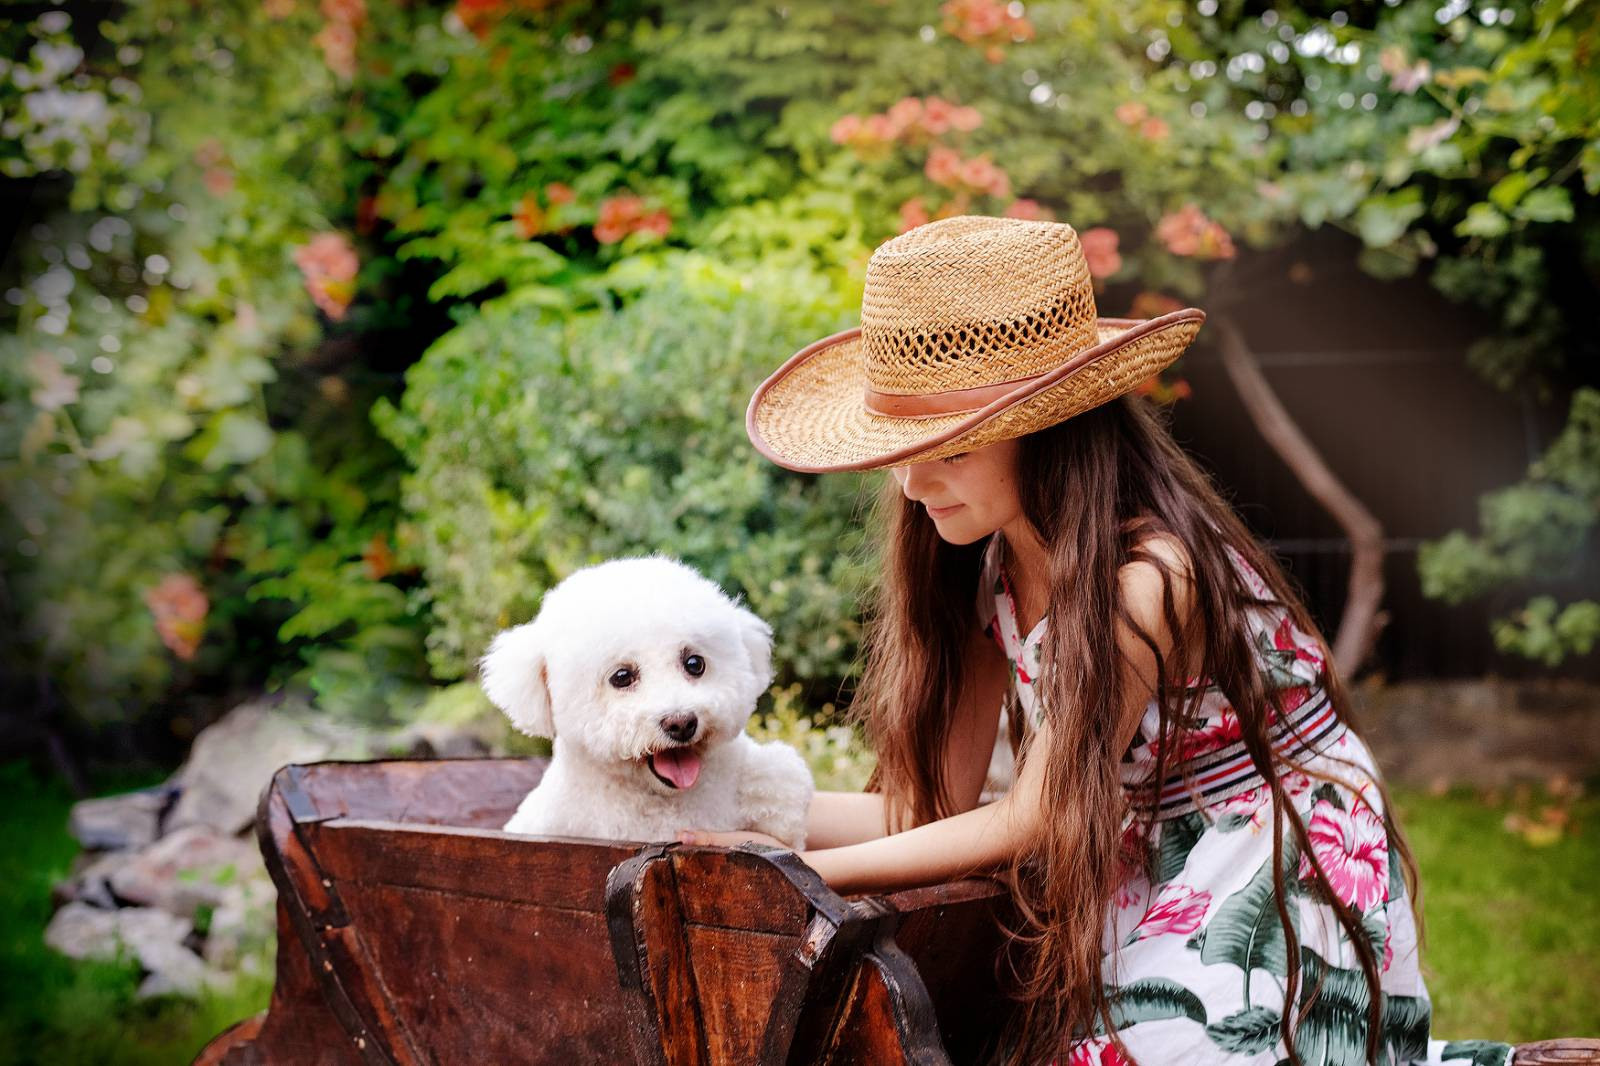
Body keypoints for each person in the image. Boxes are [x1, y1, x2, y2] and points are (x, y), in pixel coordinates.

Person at [676, 215, 1513, 1066]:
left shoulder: (1148, 578)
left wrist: (793, 875)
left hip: (1278, 862)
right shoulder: (983, 565)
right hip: (1135, 850)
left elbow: (1033, 818)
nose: (914, 481)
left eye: (952, 447)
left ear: (1052, 427)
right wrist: (723, 812)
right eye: (903, 447)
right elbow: (931, 812)